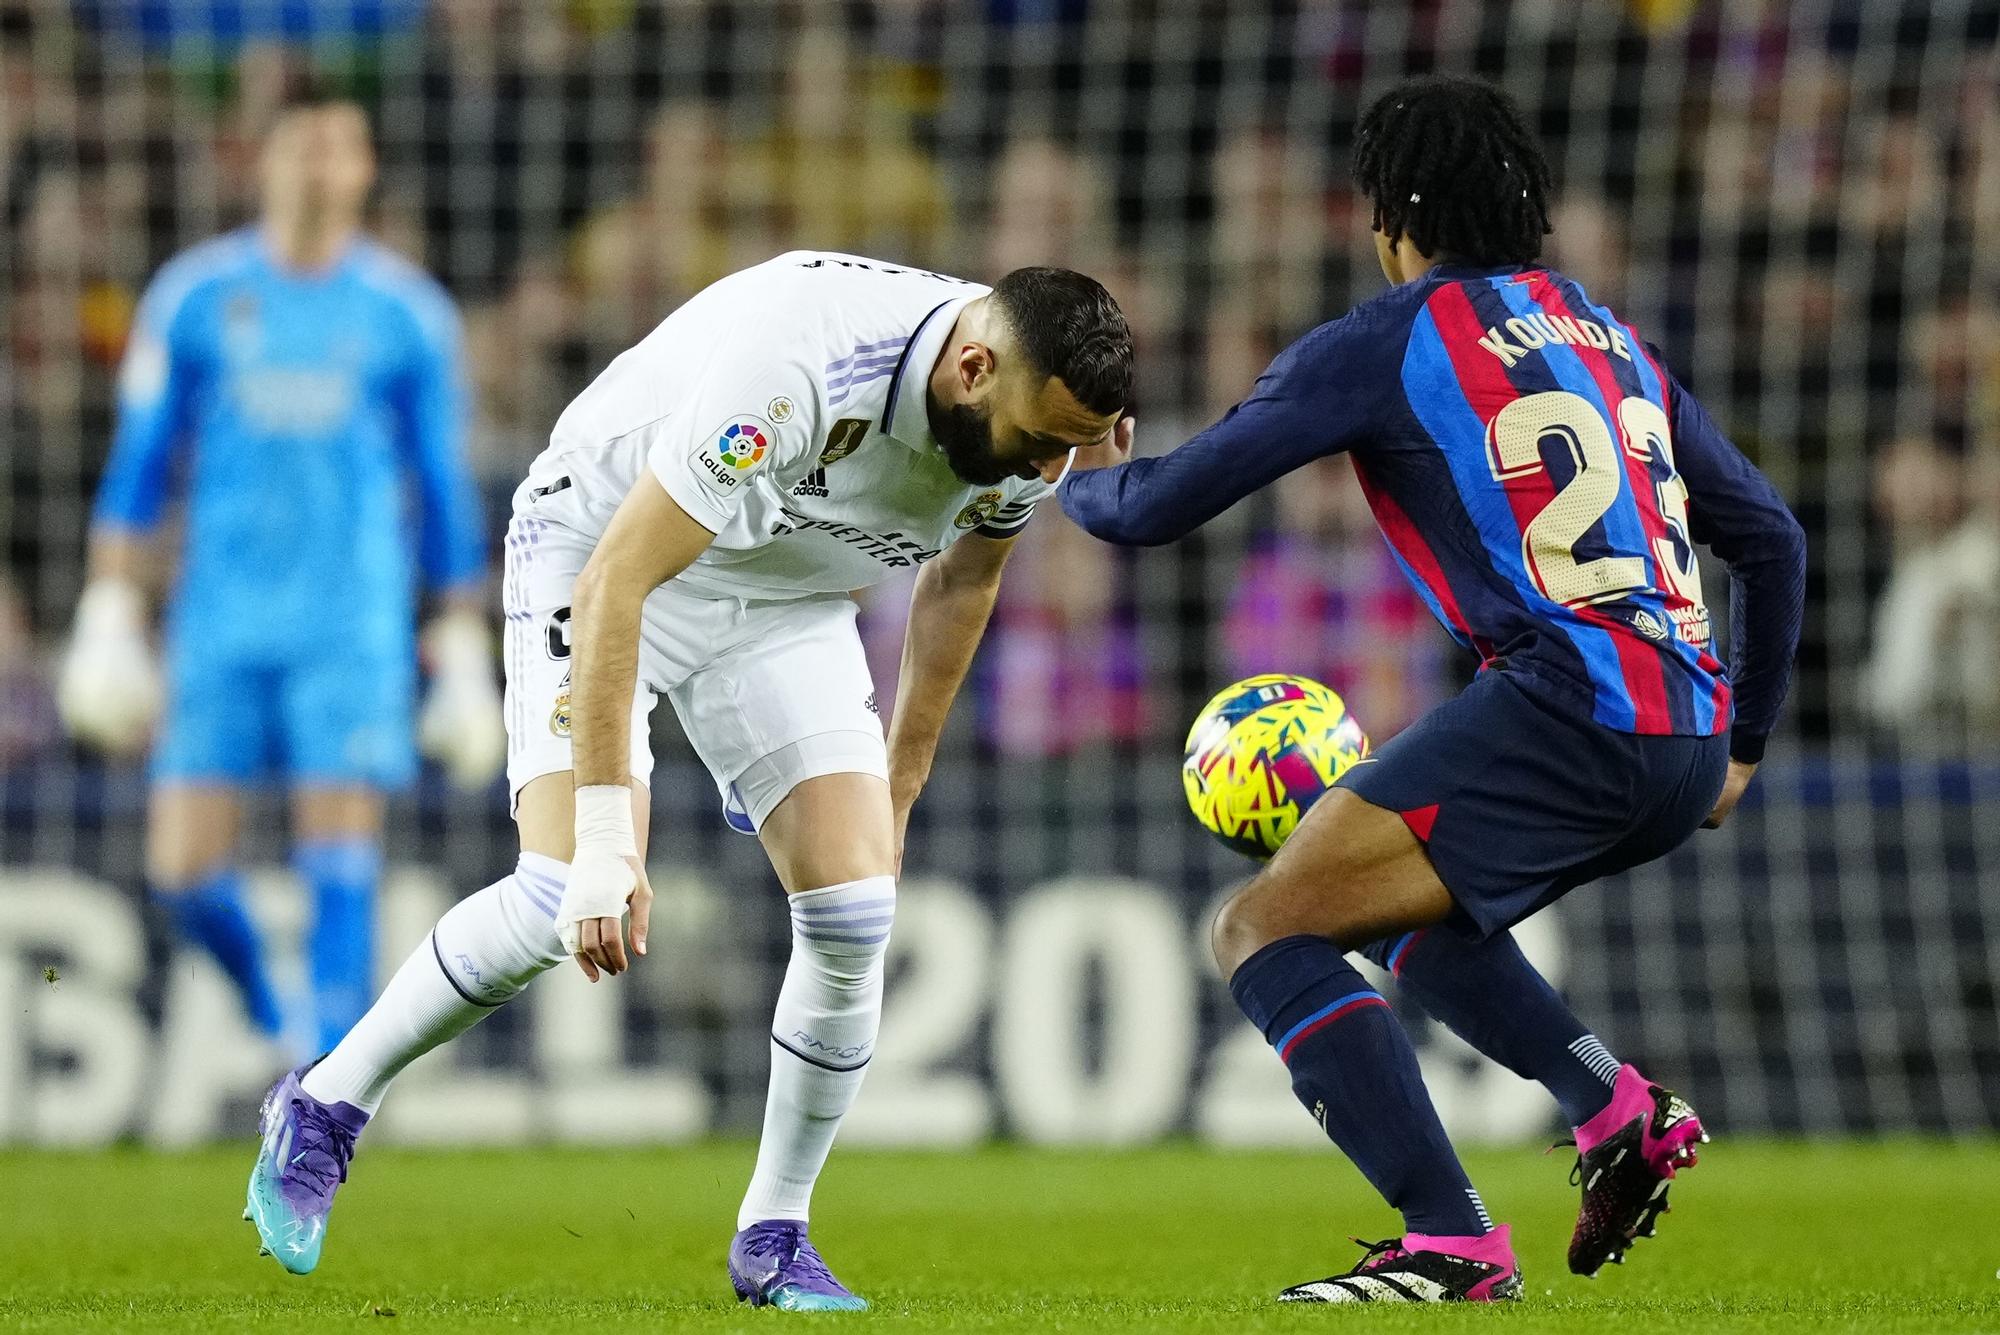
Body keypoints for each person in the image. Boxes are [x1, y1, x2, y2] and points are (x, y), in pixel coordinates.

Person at [243, 253, 1133, 1310]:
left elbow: (963, 580)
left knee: (856, 910)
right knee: (558, 890)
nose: (1036, 469)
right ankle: (327, 1104)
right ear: (972, 369)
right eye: (1036, 441)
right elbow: (621, 577)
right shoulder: (801, 366)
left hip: (787, 589)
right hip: (606, 546)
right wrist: (614, 840)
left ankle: (775, 1233)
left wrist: (897, 785)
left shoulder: (1044, 430)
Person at [1062, 76, 1806, 1305]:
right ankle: (1610, 1106)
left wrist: (1081, 466)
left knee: (1260, 927)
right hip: (1680, 728)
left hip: (1564, 702)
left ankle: (1449, 1238)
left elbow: (1150, 510)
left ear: (1394, 220)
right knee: (1407, 916)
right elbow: (1769, 538)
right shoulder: (1604, 334)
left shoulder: (1385, 340)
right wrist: (1744, 744)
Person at [59, 86, 501, 1058]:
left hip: (350, 623)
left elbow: (440, 488)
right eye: (301, 145)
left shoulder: (405, 315)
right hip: (218, 623)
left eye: (339, 146)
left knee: (338, 854)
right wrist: (109, 606)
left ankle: (324, 1091)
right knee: (179, 869)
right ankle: (280, 1018)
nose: (318, 164)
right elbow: (141, 466)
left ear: (364, 169)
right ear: (262, 161)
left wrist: (461, 637)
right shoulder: (195, 298)